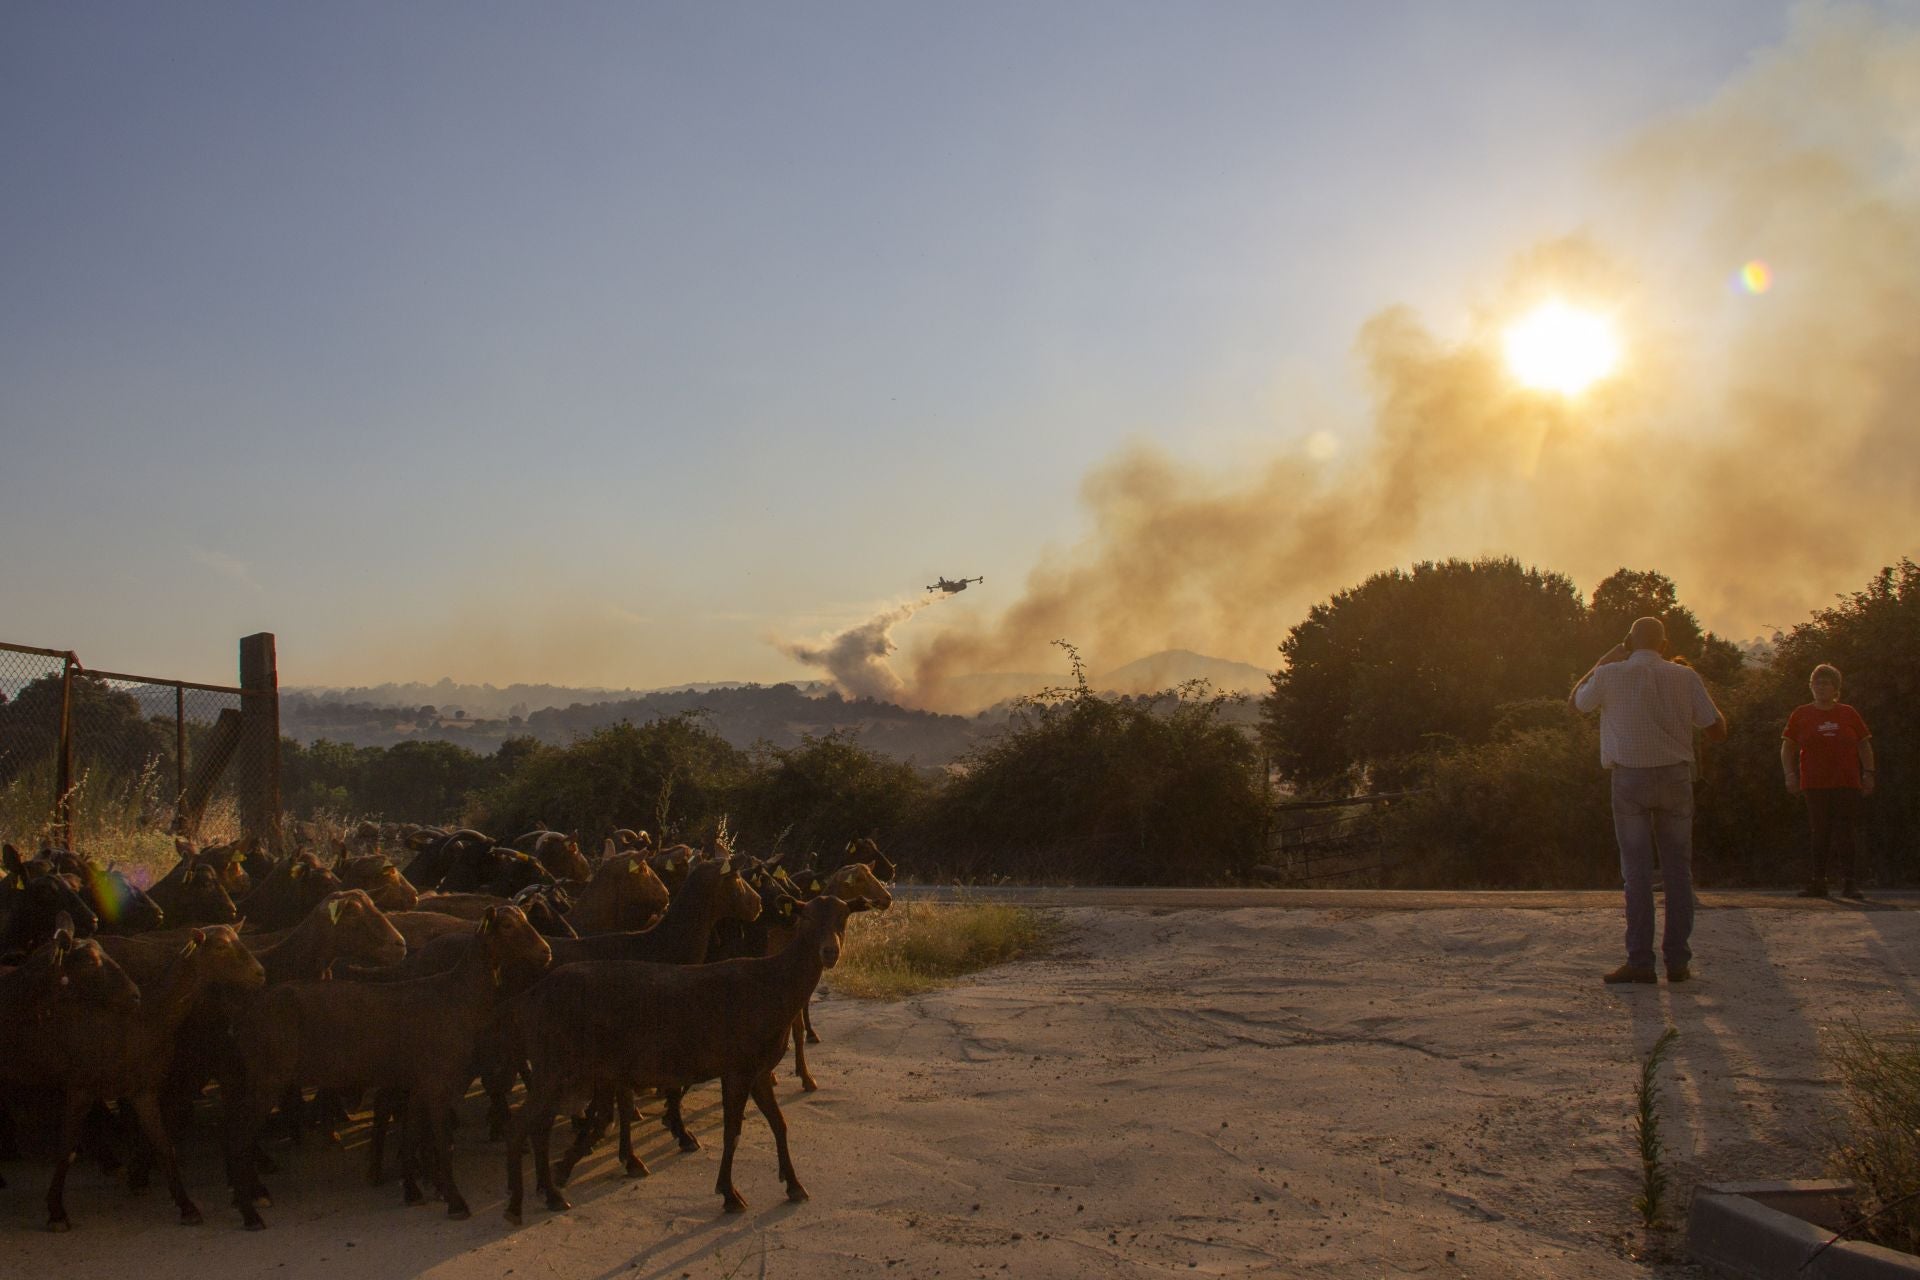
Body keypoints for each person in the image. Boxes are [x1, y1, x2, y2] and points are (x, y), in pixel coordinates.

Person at [1569, 617, 1728, 985]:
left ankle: (1640, 960)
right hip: (1675, 777)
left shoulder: (1609, 674)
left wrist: (1601, 661)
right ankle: (1678, 962)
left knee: (1636, 874)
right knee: (1678, 872)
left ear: (1628, 641)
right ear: (1665, 644)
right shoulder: (1685, 676)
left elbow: (1577, 704)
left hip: (1629, 779)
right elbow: (1717, 730)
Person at [1780, 664, 1875, 899]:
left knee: (1845, 831)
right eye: (1817, 683)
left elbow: (1863, 744)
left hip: (1846, 782)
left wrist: (1869, 773)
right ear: (1811, 687)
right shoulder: (1801, 714)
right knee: (1819, 831)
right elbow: (1787, 747)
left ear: (1836, 688)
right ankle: (1818, 882)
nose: (1821, 687)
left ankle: (1849, 883)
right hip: (1814, 783)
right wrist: (1789, 774)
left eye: (1826, 683)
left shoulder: (1848, 713)